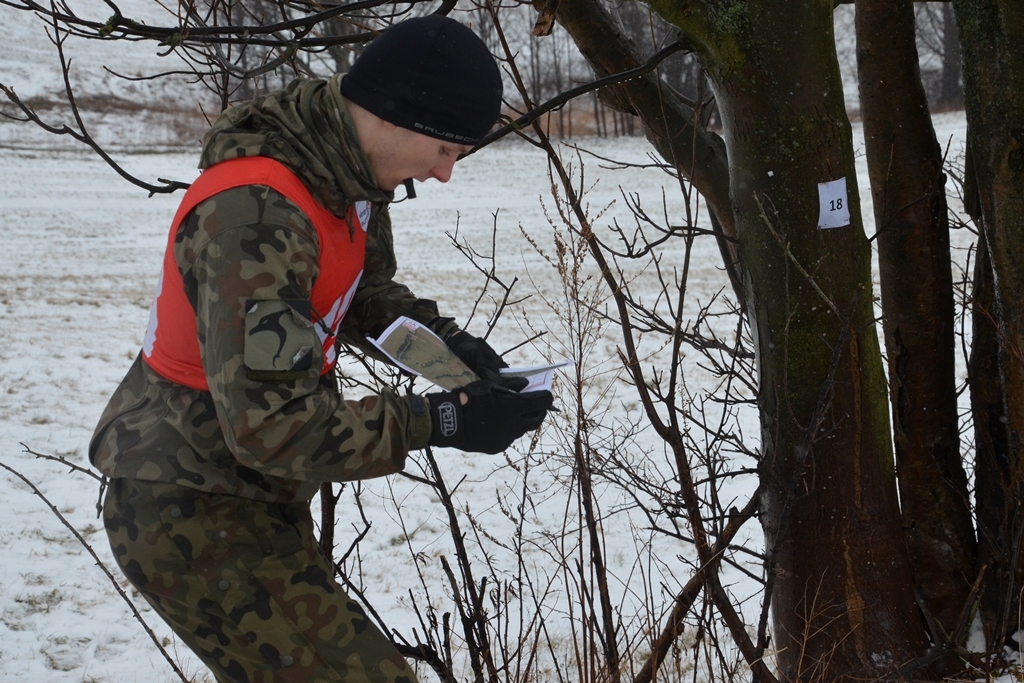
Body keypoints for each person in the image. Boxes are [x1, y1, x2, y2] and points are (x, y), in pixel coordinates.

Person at [89, 15, 553, 683]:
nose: (447, 173)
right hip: (189, 504)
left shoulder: (349, 178)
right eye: (448, 149)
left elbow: (363, 294)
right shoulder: (255, 214)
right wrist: (441, 420)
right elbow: (269, 425)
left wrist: (452, 352)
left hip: (249, 490)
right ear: (399, 117)